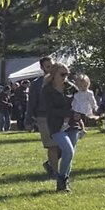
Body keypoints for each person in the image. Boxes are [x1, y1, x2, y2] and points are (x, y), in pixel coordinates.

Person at [42, 63, 77, 192]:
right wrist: (69, 113)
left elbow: (80, 101)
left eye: (67, 74)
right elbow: (50, 110)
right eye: (62, 74)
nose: (65, 77)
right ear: (54, 74)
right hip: (56, 126)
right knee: (68, 151)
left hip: (73, 125)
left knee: (69, 155)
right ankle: (61, 179)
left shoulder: (71, 88)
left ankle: (63, 183)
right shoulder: (47, 90)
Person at [25, 56, 60, 177]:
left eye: (53, 65)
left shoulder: (61, 80)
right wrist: (28, 121)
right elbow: (31, 104)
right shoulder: (36, 84)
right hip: (44, 117)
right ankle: (56, 173)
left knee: (64, 146)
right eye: (48, 66)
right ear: (42, 68)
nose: (51, 68)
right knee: (52, 146)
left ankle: (50, 164)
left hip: (59, 117)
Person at [69, 73, 99, 137]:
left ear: (88, 84)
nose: (83, 88)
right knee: (78, 120)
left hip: (85, 109)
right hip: (78, 109)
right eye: (81, 86)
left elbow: (92, 101)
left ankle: (83, 129)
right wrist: (72, 107)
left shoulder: (89, 93)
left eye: (85, 86)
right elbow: (74, 101)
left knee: (84, 119)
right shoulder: (77, 93)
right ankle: (81, 130)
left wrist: (94, 107)